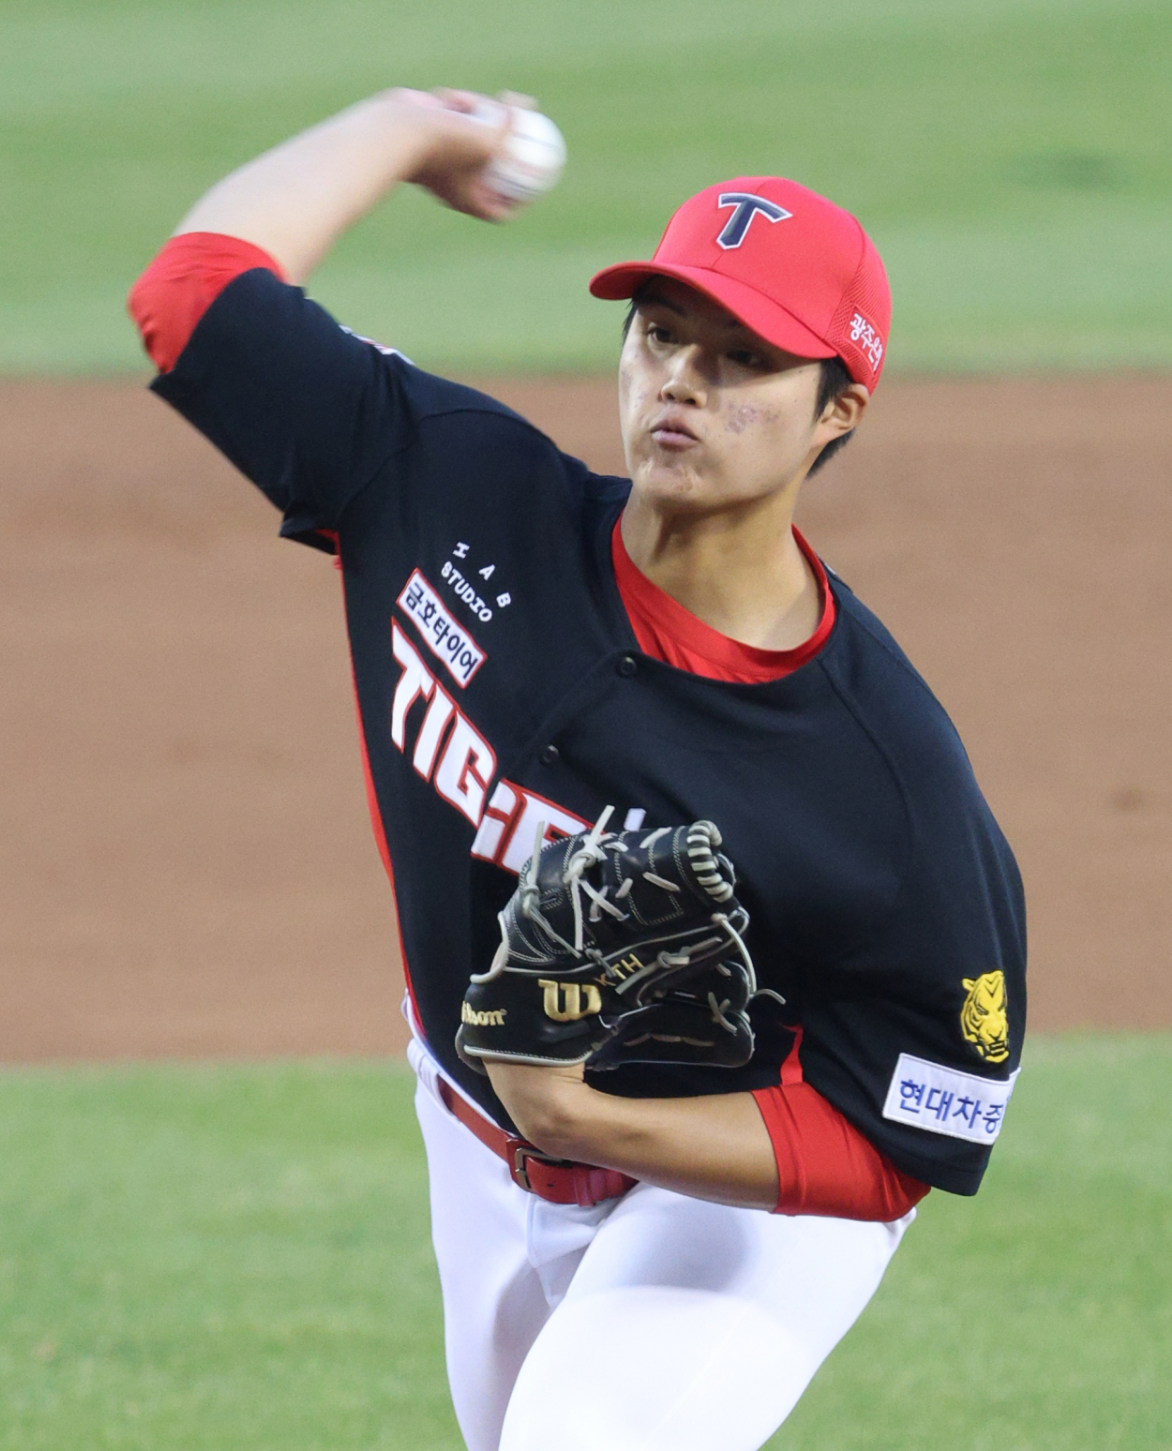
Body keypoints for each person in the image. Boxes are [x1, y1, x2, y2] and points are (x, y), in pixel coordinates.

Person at [128, 87, 1026, 1451]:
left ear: (838, 408)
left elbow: (917, 1133)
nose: (683, 380)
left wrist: (586, 1117)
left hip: (729, 1198)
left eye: (744, 358)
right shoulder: (451, 486)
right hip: (474, 1135)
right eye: (662, 332)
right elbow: (195, 295)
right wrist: (414, 125)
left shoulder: (880, 776)